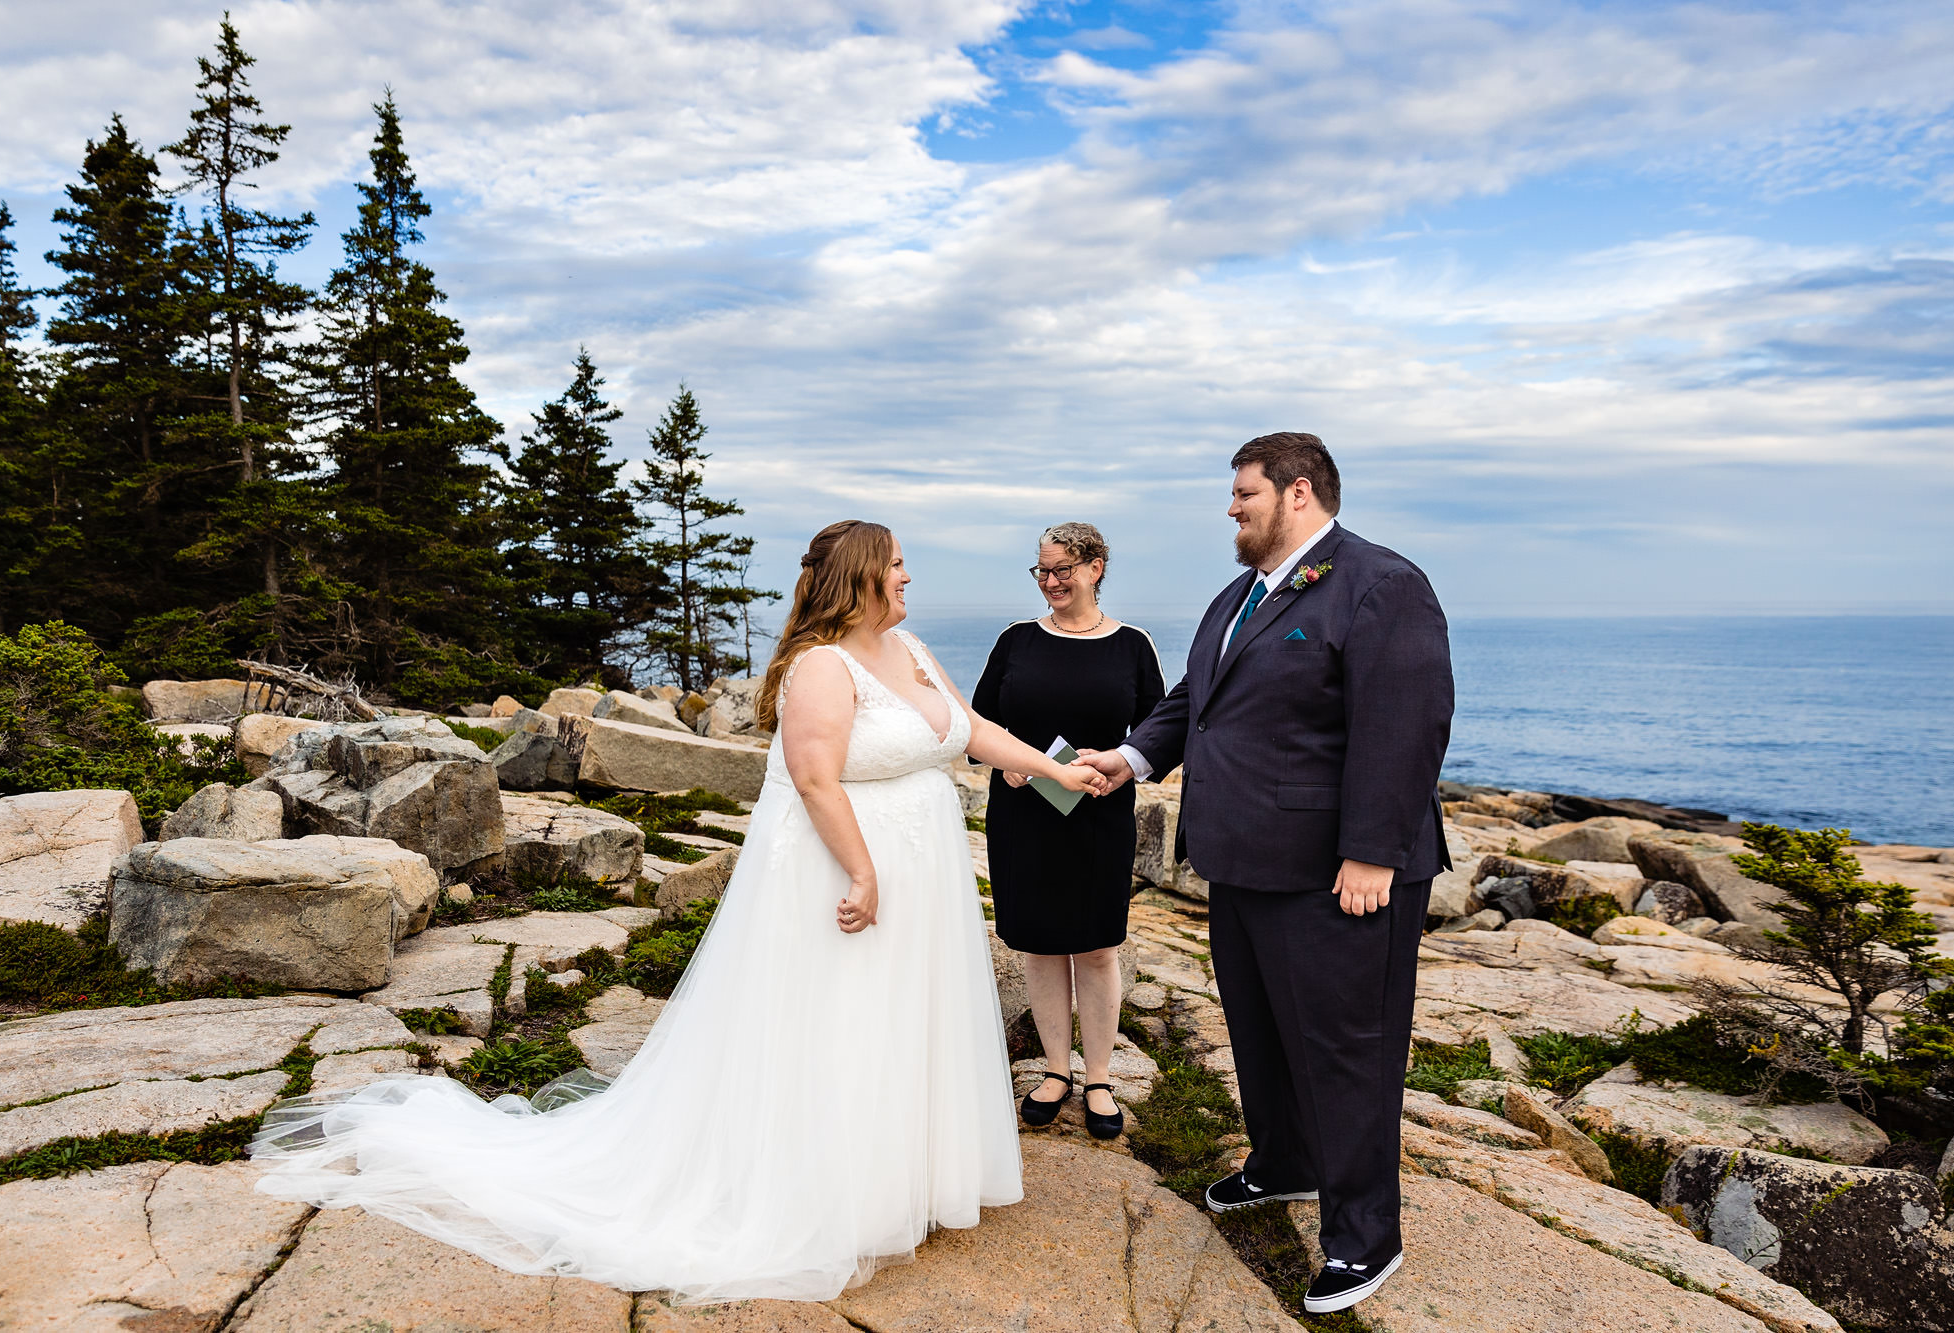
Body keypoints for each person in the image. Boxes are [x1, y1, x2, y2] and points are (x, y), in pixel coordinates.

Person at [249, 519, 1110, 1304]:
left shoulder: (911, 648)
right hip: (857, 870)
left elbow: (966, 727)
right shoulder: (821, 666)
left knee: (904, 1022)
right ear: (862, 579)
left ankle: (905, 1175)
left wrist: (1053, 768)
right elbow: (813, 777)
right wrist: (862, 872)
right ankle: (827, 1188)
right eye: (896, 565)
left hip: (926, 877)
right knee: (844, 1023)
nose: (909, 575)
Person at [1076, 434, 1453, 1317]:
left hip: (1338, 872)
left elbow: (1407, 722)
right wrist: (1131, 757)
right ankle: (1285, 1163)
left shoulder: (1381, 584)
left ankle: (1366, 1235)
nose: (1232, 508)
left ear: (1297, 492)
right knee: (1263, 1030)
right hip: (1241, 860)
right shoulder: (1240, 595)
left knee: (1345, 1048)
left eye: (1244, 493)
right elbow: (1192, 705)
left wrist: (1372, 852)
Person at [972, 521, 1165, 1139]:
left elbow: (1159, 732)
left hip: (1101, 814)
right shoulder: (1016, 641)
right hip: (1024, 814)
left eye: (1063, 570)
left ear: (1096, 568)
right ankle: (1057, 1070)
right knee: (1041, 942)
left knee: (1099, 945)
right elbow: (977, 723)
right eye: (1042, 571)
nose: (1051, 582)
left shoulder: (1133, 645)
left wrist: (1118, 763)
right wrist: (1007, 765)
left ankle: (1101, 1076)